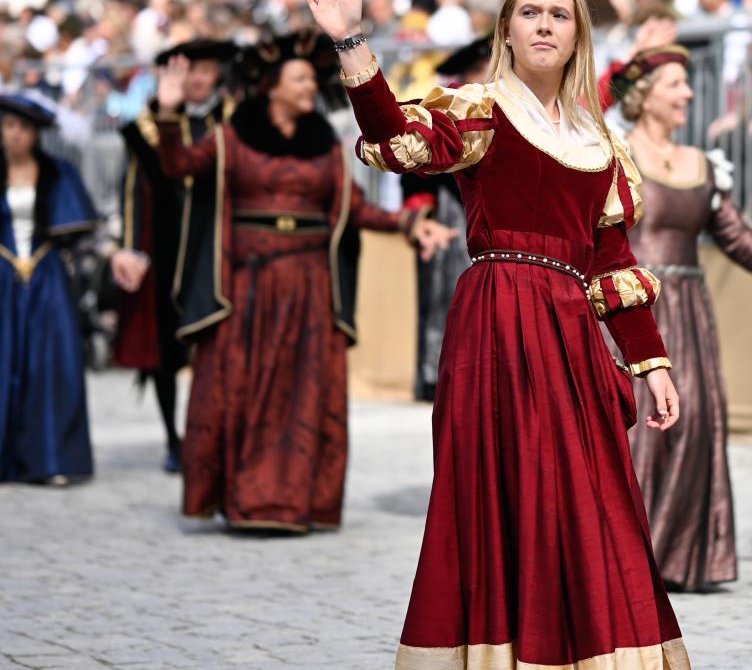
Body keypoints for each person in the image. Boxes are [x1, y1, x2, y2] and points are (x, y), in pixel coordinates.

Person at [302, 0, 691, 668]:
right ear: (506, 30)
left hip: (571, 332)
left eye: (559, 15)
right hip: (496, 323)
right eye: (530, 12)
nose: (544, 24)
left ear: (577, 37)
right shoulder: (478, 112)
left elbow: (611, 264)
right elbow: (395, 138)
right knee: (498, 493)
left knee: (593, 496)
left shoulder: (602, 142)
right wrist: (351, 42)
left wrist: (651, 362)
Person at [155, 32, 453, 532]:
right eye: (299, 78)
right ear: (271, 86)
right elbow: (178, 166)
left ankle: (293, 503)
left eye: (313, 78)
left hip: (310, 286)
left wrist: (408, 223)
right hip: (247, 285)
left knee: (304, 394)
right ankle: (248, 500)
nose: (310, 85)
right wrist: (168, 115)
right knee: (244, 388)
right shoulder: (232, 137)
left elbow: (353, 208)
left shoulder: (325, 147)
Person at [609, 43, 752, 592]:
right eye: (675, 84)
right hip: (633, 313)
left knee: (693, 428)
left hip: (690, 315)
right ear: (643, 95)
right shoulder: (613, 154)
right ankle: (621, 557)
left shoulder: (701, 164)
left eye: (687, 83)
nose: (687, 93)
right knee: (634, 435)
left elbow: (737, 239)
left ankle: (678, 558)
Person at [110, 38, 237, 473]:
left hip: (219, 245)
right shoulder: (147, 127)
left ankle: (219, 434)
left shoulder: (234, 122)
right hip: (165, 247)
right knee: (165, 347)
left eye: (204, 69)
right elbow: (132, 193)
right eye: (186, 71)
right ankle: (173, 437)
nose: (197, 79)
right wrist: (129, 247)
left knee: (221, 344)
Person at [0, 93, 98, 483]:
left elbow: (78, 230)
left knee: (52, 365)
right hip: (4, 276)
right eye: (9, 126)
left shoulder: (58, 173)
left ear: (36, 134)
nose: (15, 135)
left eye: (23, 128)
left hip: (46, 276)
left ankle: (53, 457)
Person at [401, 34, 491, 401]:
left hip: (491, 226)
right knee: (445, 303)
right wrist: (423, 220)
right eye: (483, 72)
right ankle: (436, 377)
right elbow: (413, 170)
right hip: (453, 222)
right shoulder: (447, 113)